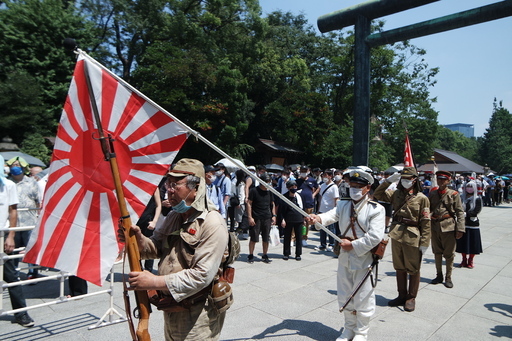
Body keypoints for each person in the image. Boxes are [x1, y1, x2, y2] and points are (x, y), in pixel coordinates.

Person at [119, 158, 229, 340]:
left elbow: (202, 275)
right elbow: (155, 247)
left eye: (175, 185)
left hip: (197, 314)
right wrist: (138, 240)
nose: (168, 190)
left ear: (196, 188)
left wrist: (154, 282)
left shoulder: (212, 223)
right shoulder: (174, 216)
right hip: (172, 305)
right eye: (168, 184)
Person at [306, 170, 385, 341]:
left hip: (363, 258)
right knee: (345, 294)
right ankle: (349, 329)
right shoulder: (343, 204)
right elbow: (330, 215)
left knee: (363, 296)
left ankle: (361, 332)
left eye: (358, 187)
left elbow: (375, 236)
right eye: (352, 186)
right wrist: (317, 218)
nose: (354, 189)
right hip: (344, 256)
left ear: (367, 188)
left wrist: (353, 245)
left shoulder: (376, 209)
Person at [373, 167, 431, 312]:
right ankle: (401, 295)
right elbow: (377, 194)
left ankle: (411, 297)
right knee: (399, 266)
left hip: (413, 235)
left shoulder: (422, 198)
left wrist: (425, 242)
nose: (405, 181)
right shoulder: (396, 194)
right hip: (397, 233)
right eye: (403, 179)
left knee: (413, 268)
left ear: (414, 180)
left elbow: (426, 221)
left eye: (408, 179)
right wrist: (387, 181)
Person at [0, 156, 35, 327]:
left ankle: (21, 313)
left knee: (11, 276)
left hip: (5, 234)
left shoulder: (8, 185)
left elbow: (13, 211)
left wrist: (10, 236)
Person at [428, 170, 465, 288]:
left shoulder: (453, 194)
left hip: (448, 226)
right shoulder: (433, 194)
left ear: (448, 181)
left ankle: (448, 277)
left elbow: (459, 212)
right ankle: (439, 275)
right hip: (435, 226)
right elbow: (429, 208)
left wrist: (460, 228)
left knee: (449, 254)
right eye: (439, 179)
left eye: (443, 179)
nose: (441, 181)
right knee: (437, 252)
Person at [8, 165, 40, 280]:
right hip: (13, 224)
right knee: (13, 250)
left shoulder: (31, 182)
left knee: (30, 248)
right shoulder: (7, 183)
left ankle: (32, 273)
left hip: (29, 221)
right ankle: (13, 274)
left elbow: (38, 200)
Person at [246, 172, 276, 264]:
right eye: (266, 181)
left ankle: (265, 254)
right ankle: (251, 255)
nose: (268, 183)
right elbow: (249, 203)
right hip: (256, 217)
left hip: (267, 217)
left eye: (269, 181)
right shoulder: (254, 191)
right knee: (254, 238)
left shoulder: (269, 191)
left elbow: (272, 204)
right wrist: (250, 217)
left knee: (266, 237)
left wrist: (274, 215)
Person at [456, 180, 483, 268]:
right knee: (463, 243)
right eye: (468, 186)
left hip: (473, 223)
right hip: (463, 223)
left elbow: (477, 210)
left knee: (473, 243)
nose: (469, 189)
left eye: (471, 187)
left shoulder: (477, 198)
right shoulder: (461, 198)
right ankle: (464, 259)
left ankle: (470, 259)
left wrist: (466, 214)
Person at [279, 180, 304, 261]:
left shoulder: (299, 197)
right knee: (287, 237)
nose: (294, 188)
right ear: (288, 188)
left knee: (298, 237)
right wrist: (282, 219)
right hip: (288, 219)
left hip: (298, 219)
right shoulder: (284, 197)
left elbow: (302, 208)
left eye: (295, 187)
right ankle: (286, 253)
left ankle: (298, 254)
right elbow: (281, 210)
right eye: (292, 187)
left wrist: (304, 218)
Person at [315, 169, 339, 252]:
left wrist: (336, 210)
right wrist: (318, 209)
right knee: (322, 228)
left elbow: (336, 199)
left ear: (330, 176)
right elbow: (320, 198)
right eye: (323, 175)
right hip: (322, 209)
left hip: (330, 210)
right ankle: (323, 244)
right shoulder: (323, 185)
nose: (324, 177)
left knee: (331, 228)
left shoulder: (334, 187)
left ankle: (332, 244)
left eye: (326, 175)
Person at [296, 165, 319, 246]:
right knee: (298, 221)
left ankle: (304, 237)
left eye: (305, 171)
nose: (303, 172)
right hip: (299, 203)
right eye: (302, 171)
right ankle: (295, 237)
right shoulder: (297, 181)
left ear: (308, 171)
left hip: (309, 203)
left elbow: (318, 187)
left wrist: (314, 194)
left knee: (307, 221)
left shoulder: (312, 180)